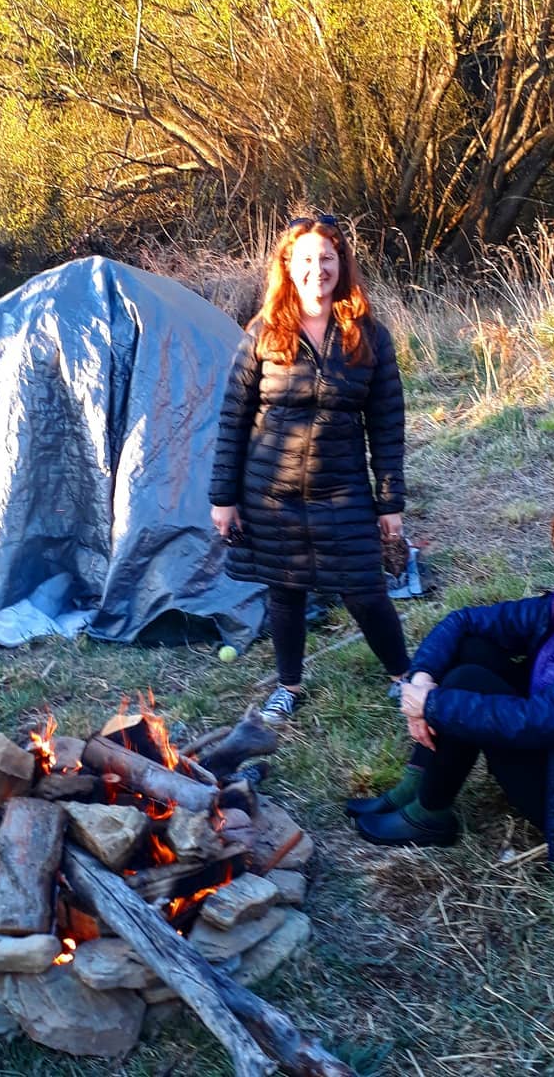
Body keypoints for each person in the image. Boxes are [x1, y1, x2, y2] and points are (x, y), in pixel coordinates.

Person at [347, 494, 554, 861]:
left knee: (467, 683)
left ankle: (429, 814)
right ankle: (415, 784)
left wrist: (432, 704)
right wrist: (422, 679)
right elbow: (463, 622)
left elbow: (541, 721)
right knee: (473, 647)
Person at [209, 213, 411, 725]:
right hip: (268, 493)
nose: (316, 269)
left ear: (342, 264)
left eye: (326, 258)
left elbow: (387, 426)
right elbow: (233, 417)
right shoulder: (262, 333)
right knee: (285, 589)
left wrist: (390, 504)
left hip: (342, 490)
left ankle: (402, 676)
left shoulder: (369, 337)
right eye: (306, 260)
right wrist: (222, 497)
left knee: (365, 588)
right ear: (288, 266)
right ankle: (289, 685)